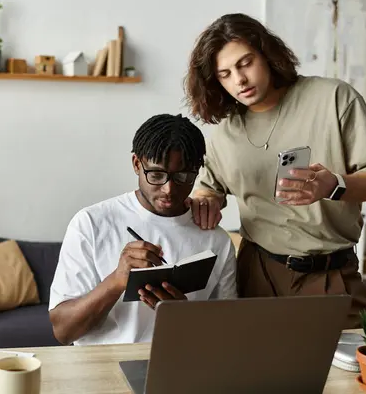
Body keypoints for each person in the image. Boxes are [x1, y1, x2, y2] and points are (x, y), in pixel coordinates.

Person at [183, 13, 366, 328]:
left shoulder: (333, 98)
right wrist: (206, 200)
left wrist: (333, 185)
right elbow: (209, 188)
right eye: (225, 74)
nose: (239, 80)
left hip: (329, 276)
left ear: (267, 54)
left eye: (245, 63)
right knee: (258, 374)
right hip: (257, 274)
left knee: (344, 376)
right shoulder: (225, 133)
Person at [48, 114, 237, 346]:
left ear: (198, 170)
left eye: (182, 176)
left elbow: (229, 335)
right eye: (156, 174)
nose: (169, 189)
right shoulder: (91, 223)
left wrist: (183, 318)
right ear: (137, 164)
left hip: (178, 365)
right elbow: (63, 332)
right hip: (103, 368)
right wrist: (117, 280)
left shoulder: (216, 239)